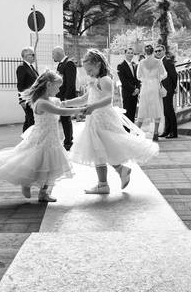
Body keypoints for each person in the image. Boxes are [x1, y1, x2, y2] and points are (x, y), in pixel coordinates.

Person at [0, 70, 87, 202]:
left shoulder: (51, 100)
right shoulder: (42, 103)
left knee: (50, 166)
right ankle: (26, 183)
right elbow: (61, 111)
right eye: (57, 86)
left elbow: (64, 104)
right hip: (41, 139)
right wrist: (82, 110)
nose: (59, 90)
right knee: (34, 164)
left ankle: (43, 193)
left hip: (52, 139)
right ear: (48, 85)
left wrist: (83, 100)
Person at [64, 49, 159, 195]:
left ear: (98, 65)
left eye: (90, 70)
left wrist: (92, 107)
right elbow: (84, 99)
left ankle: (106, 182)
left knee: (100, 149)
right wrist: (66, 103)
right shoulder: (95, 80)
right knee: (101, 150)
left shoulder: (105, 80)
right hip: (94, 118)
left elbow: (108, 99)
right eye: (86, 71)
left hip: (102, 119)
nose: (88, 73)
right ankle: (116, 173)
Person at [135, 44, 167, 142]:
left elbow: (138, 76)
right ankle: (156, 133)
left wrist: (145, 79)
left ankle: (136, 133)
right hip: (154, 86)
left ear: (145, 52)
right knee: (156, 109)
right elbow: (164, 74)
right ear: (153, 52)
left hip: (145, 87)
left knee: (142, 110)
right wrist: (158, 78)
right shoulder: (158, 62)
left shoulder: (141, 62)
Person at [52, 45, 77, 150]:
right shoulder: (60, 65)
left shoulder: (69, 63)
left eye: (53, 54)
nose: (52, 56)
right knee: (64, 119)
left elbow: (70, 83)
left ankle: (68, 142)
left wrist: (67, 98)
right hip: (60, 97)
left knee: (66, 119)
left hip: (66, 97)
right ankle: (68, 139)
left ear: (58, 53)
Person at [155, 44, 178, 138]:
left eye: (159, 50)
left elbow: (174, 75)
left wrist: (173, 88)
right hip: (161, 89)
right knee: (165, 111)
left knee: (169, 110)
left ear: (164, 51)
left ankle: (173, 132)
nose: (158, 52)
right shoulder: (158, 62)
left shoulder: (167, 61)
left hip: (168, 89)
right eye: (156, 51)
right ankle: (167, 130)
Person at [16, 47, 39, 131]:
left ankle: (25, 139)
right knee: (31, 121)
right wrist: (21, 100)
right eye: (32, 55)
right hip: (27, 99)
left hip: (33, 98)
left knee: (28, 120)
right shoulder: (22, 67)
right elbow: (20, 85)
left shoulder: (31, 67)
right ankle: (28, 140)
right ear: (25, 56)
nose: (34, 56)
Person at [116, 48, 141, 124]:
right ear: (125, 54)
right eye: (128, 53)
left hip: (135, 93)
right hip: (127, 93)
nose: (130, 54)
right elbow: (124, 81)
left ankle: (132, 133)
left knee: (133, 114)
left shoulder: (135, 65)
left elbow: (138, 79)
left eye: (132, 53)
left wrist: (138, 89)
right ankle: (126, 132)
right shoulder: (120, 66)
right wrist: (133, 89)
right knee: (127, 114)